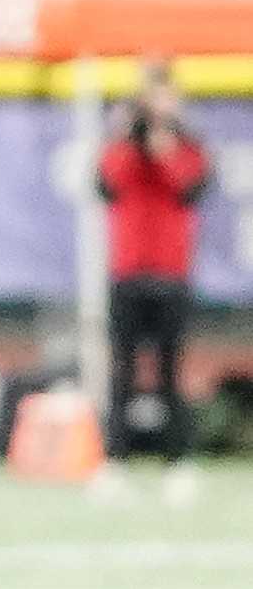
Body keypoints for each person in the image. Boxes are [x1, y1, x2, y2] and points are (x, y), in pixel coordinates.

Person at [96, 62, 210, 502]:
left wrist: (165, 149)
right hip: (127, 272)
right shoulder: (123, 145)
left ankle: (177, 462)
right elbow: (107, 183)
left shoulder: (190, 146)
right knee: (122, 372)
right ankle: (115, 461)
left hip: (171, 275)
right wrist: (128, 135)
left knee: (169, 373)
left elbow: (190, 188)